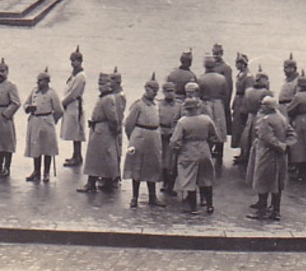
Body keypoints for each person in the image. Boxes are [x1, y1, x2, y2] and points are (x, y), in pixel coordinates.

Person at [169, 91, 220, 215]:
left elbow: (175, 140)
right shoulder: (206, 119)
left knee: (188, 178)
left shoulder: (183, 121)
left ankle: (193, 207)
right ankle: (209, 205)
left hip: (188, 150)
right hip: (204, 149)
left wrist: (176, 149)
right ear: (198, 107)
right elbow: (215, 136)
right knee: (206, 177)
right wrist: (209, 145)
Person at [123, 73, 165, 208]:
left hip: (154, 136)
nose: (155, 93)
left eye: (156, 91)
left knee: (152, 167)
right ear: (146, 89)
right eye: (153, 90)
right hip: (140, 136)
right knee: (137, 166)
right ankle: (134, 197)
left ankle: (152, 196)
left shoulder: (157, 105)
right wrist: (133, 138)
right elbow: (128, 124)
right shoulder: (138, 105)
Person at [77, 71, 122, 193]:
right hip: (99, 129)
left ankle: (92, 182)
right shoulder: (104, 97)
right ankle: (105, 180)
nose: (100, 86)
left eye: (103, 84)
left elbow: (113, 118)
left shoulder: (108, 99)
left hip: (103, 131)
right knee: (102, 156)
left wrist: (114, 131)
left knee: (97, 157)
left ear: (109, 85)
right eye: (99, 84)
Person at [22, 69, 63, 183]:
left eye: (41, 81)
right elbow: (25, 103)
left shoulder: (52, 93)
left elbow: (59, 110)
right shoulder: (34, 92)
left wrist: (52, 121)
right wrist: (28, 108)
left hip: (47, 120)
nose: (38, 83)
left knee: (47, 148)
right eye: (38, 81)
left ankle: (46, 173)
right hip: (35, 120)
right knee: (36, 147)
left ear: (47, 81)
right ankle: (36, 171)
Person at [0, 60, 21, 177]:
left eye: (2, 71)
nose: (0, 73)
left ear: (7, 72)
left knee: (7, 143)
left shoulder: (11, 86)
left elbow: (16, 102)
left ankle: (7, 167)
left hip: (5, 117)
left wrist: (7, 114)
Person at [60, 47, 86, 167]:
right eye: (71, 61)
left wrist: (63, 102)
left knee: (76, 131)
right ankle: (75, 155)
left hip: (75, 105)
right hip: (71, 106)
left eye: (75, 61)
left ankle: (77, 156)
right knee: (73, 131)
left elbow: (74, 93)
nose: (72, 63)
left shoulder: (81, 76)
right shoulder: (74, 74)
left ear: (80, 61)